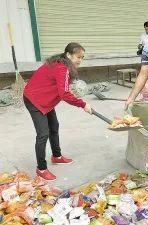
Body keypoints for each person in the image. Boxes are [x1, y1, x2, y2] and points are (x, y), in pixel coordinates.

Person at [23, 42, 92, 181]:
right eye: (78, 56)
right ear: (68, 55)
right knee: (43, 134)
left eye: (82, 57)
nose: (80, 60)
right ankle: (41, 169)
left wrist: (71, 93)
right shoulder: (62, 68)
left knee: (54, 127)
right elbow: (64, 94)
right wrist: (83, 104)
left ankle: (56, 156)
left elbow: (62, 87)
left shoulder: (62, 65)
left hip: (45, 100)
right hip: (34, 100)